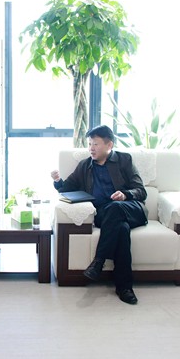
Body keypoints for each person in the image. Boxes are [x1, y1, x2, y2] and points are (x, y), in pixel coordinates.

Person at [51, 125, 148, 304]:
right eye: (89, 144)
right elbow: (66, 189)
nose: (91, 148)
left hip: (130, 208)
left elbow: (141, 191)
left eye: (95, 144)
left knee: (115, 208)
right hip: (105, 214)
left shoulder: (124, 160)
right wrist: (57, 181)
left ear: (109, 145)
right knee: (121, 228)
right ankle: (124, 288)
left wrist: (125, 194)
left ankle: (99, 261)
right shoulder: (85, 166)